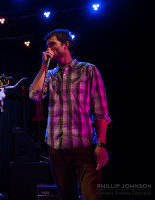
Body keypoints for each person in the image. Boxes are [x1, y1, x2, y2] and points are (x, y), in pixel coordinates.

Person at [29, 29, 111, 200]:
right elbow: (34, 95)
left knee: (92, 196)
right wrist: (44, 65)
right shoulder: (49, 75)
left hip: (84, 146)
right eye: (46, 46)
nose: (48, 49)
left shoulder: (88, 70)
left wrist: (101, 146)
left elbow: (100, 112)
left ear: (65, 44)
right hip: (56, 148)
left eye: (52, 44)